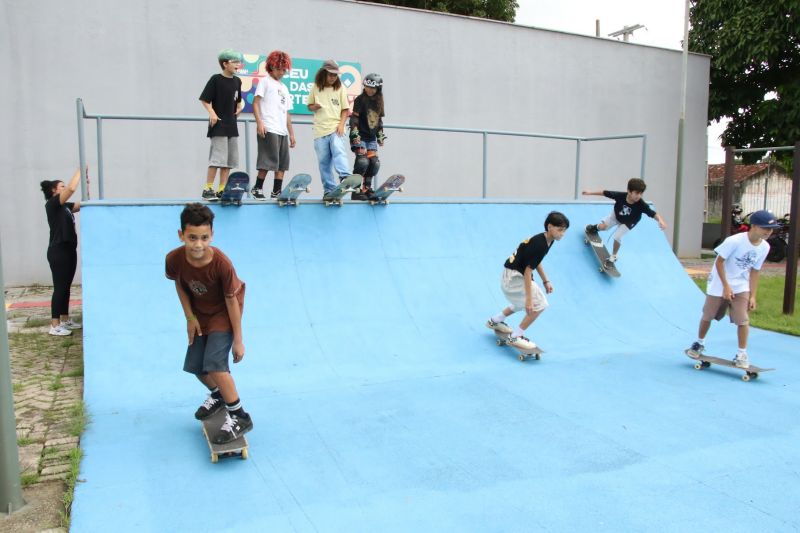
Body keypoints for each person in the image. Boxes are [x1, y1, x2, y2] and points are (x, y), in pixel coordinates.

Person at [165, 203, 253, 444]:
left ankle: (240, 415)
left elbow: (232, 301)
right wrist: (190, 318)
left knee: (215, 365)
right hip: (200, 314)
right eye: (192, 238)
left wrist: (238, 339)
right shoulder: (174, 259)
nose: (198, 244)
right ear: (181, 235)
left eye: (204, 238)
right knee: (196, 366)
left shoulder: (222, 264)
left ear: (212, 235)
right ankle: (218, 395)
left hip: (225, 313)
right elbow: (180, 285)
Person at [688, 209, 780, 368]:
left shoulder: (765, 247)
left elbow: (755, 271)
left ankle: (741, 353)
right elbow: (719, 262)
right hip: (719, 282)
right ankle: (699, 343)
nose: (768, 232)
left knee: (743, 319)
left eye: (771, 229)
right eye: (765, 228)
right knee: (708, 315)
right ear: (754, 226)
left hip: (741, 284)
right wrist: (725, 286)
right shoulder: (735, 241)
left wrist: (752, 295)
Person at [486, 211, 570, 351]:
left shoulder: (548, 240)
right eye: (560, 230)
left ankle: (495, 320)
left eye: (564, 231)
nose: (562, 234)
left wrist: (545, 281)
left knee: (522, 302)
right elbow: (528, 271)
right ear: (550, 227)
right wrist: (530, 300)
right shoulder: (540, 244)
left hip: (509, 275)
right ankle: (516, 336)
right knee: (539, 304)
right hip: (515, 278)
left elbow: (536, 262)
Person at [582, 178, 667, 268]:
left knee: (617, 236)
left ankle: (613, 257)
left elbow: (653, 213)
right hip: (616, 215)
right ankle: (595, 228)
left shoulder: (641, 205)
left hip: (629, 222)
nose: (639, 196)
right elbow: (604, 192)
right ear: (629, 191)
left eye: (641, 193)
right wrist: (590, 193)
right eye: (637, 193)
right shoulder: (620, 196)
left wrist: (660, 220)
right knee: (604, 227)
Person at [40, 169, 82, 336]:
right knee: (60, 288)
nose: (65, 189)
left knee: (66, 287)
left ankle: (65, 320)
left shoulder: (65, 206)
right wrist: (79, 170)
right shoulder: (52, 204)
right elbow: (71, 189)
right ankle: (54, 324)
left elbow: (80, 205)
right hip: (58, 251)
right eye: (61, 187)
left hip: (69, 249)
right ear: (54, 191)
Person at [199, 49, 244, 201]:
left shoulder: (237, 81)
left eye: (239, 62)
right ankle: (208, 189)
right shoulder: (216, 79)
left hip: (232, 126)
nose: (238, 65)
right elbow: (205, 99)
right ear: (225, 64)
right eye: (234, 62)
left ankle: (222, 189)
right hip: (218, 125)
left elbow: (238, 100)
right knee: (217, 160)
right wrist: (212, 113)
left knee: (228, 162)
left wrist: (240, 106)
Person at [251, 50, 296, 200]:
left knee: (282, 164)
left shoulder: (284, 87)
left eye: (284, 69)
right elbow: (255, 103)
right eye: (280, 69)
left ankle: (277, 191)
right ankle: (257, 188)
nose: (283, 72)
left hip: (282, 130)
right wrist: (260, 123)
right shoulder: (265, 82)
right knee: (267, 160)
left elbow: (287, 113)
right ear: (272, 66)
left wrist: (292, 134)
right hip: (269, 127)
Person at [307, 59, 351, 195]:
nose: (333, 78)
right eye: (330, 75)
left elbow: (345, 109)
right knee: (324, 162)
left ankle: (345, 176)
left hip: (335, 127)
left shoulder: (340, 88)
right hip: (320, 130)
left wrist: (341, 125)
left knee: (338, 149)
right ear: (324, 73)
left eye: (335, 75)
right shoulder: (315, 87)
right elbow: (309, 106)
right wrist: (315, 106)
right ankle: (329, 190)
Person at [348, 73, 386, 201]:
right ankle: (356, 190)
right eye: (367, 87)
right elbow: (354, 118)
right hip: (360, 136)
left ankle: (367, 188)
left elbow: (379, 121)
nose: (369, 90)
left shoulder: (379, 102)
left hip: (371, 138)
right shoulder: (360, 99)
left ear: (378, 89)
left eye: (373, 88)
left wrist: (380, 135)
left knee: (374, 163)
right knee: (362, 162)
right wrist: (354, 133)